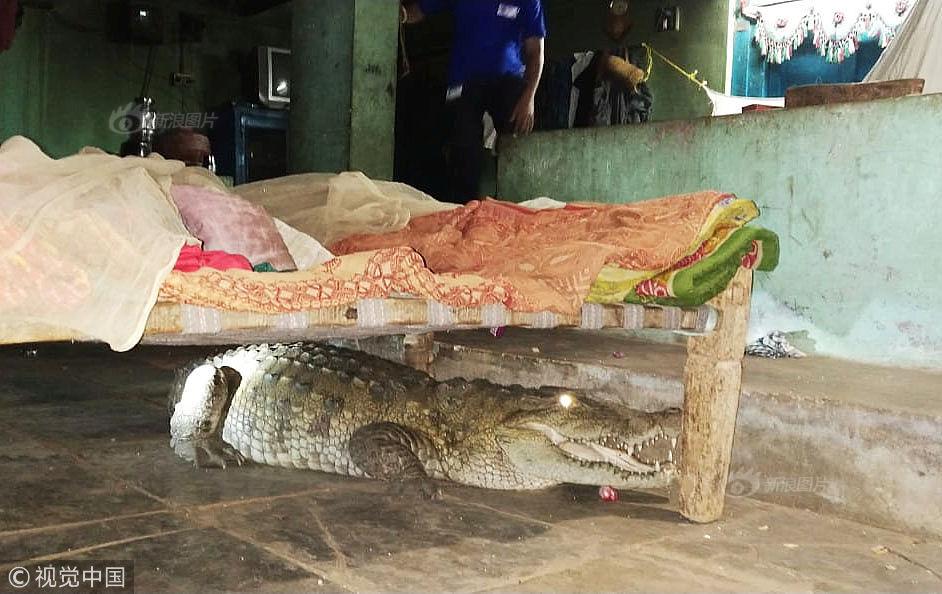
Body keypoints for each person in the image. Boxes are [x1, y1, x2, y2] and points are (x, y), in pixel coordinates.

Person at [402, 0, 546, 203]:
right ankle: (463, 213)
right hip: (462, 81)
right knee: (462, 150)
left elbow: (536, 53)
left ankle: (519, 207)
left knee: (519, 132)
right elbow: (419, 10)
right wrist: (398, 14)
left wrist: (529, 99)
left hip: (506, 80)